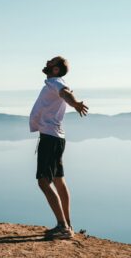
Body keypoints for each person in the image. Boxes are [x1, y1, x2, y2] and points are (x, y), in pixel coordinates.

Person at [29, 56, 88, 239]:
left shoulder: (55, 82)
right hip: (55, 137)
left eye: (51, 62)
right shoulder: (54, 82)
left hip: (50, 138)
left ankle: (63, 227)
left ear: (55, 69)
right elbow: (64, 92)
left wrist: (75, 103)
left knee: (43, 182)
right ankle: (67, 224)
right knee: (58, 180)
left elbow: (65, 93)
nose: (47, 62)